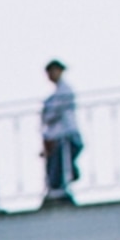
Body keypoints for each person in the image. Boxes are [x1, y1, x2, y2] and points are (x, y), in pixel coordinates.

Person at [39, 60, 83, 206]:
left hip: (65, 135)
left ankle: (60, 192)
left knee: (61, 165)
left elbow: (53, 112)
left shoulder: (65, 91)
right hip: (56, 136)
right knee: (56, 166)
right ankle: (58, 191)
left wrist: (47, 115)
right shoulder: (56, 93)